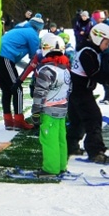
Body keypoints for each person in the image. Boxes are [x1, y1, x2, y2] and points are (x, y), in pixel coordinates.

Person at [68, 23, 109, 163]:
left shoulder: (90, 51)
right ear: (97, 39)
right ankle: (96, 151)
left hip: (76, 91)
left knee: (77, 121)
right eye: (106, 42)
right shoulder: (88, 53)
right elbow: (95, 74)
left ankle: (71, 146)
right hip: (80, 92)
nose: (107, 46)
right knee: (93, 119)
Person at [31, 34, 71, 176]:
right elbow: (69, 90)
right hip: (62, 110)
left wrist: (35, 111)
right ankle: (61, 165)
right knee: (61, 138)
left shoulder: (46, 70)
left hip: (48, 111)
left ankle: (50, 168)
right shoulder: (65, 70)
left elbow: (39, 93)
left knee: (49, 139)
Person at [0, 15, 43, 130]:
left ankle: (8, 121)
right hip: (5, 57)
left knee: (6, 90)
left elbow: (18, 59)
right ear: (39, 28)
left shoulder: (20, 30)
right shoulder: (32, 34)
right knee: (17, 89)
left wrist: (27, 67)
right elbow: (35, 56)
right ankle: (19, 121)